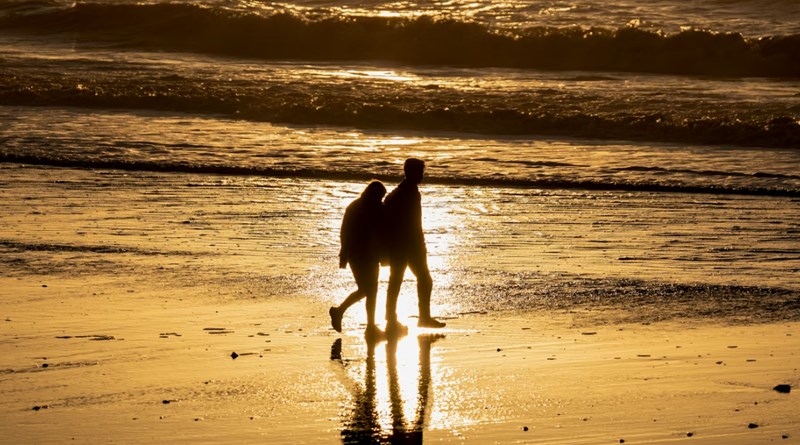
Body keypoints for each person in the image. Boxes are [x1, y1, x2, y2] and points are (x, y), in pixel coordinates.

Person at [383, 158, 446, 334]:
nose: (422, 175)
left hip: (402, 244)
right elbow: (411, 223)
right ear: (411, 172)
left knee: (398, 280)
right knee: (418, 279)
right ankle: (419, 317)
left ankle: (395, 317)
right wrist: (419, 243)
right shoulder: (406, 193)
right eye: (420, 172)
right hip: (408, 245)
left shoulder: (402, 192)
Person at [329, 181, 387, 340]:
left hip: (368, 255)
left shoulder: (363, 206)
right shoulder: (362, 208)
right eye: (380, 196)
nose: (381, 199)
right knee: (367, 290)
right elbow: (346, 232)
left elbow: (345, 231)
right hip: (359, 255)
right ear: (374, 194)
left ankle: (369, 326)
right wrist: (344, 253)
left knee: (370, 291)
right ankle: (341, 312)